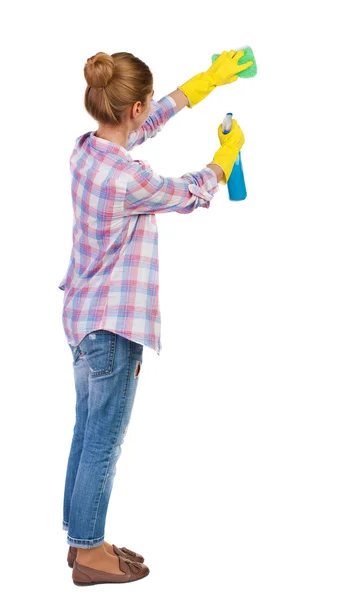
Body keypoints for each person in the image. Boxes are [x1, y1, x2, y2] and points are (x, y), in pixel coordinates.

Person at [58, 49, 253, 586]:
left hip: (81, 318)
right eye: (146, 106)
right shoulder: (129, 179)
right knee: (104, 441)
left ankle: (81, 540)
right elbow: (186, 194)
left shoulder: (87, 153)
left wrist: (206, 82)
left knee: (86, 431)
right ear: (133, 107)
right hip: (115, 328)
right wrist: (224, 157)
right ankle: (91, 552)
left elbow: (150, 120)